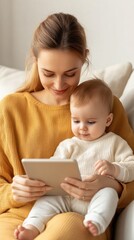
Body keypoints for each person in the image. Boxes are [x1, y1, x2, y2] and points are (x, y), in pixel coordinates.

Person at [0, 12, 134, 240]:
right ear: (35, 61)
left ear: (84, 60)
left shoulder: (107, 107)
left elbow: (131, 169)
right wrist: (13, 191)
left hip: (82, 215)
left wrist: (111, 185)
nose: (59, 84)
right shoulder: (11, 109)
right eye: (48, 74)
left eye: (70, 74)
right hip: (20, 217)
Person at [14, 79, 134, 240]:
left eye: (90, 122)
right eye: (76, 120)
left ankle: (96, 221)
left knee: (109, 194)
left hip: (94, 197)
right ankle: (31, 226)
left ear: (108, 120)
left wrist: (115, 169)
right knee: (46, 201)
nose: (82, 127)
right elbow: (55, 165)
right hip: (66, 195)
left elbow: (131, 167)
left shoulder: (115, 142)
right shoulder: (68, 145)